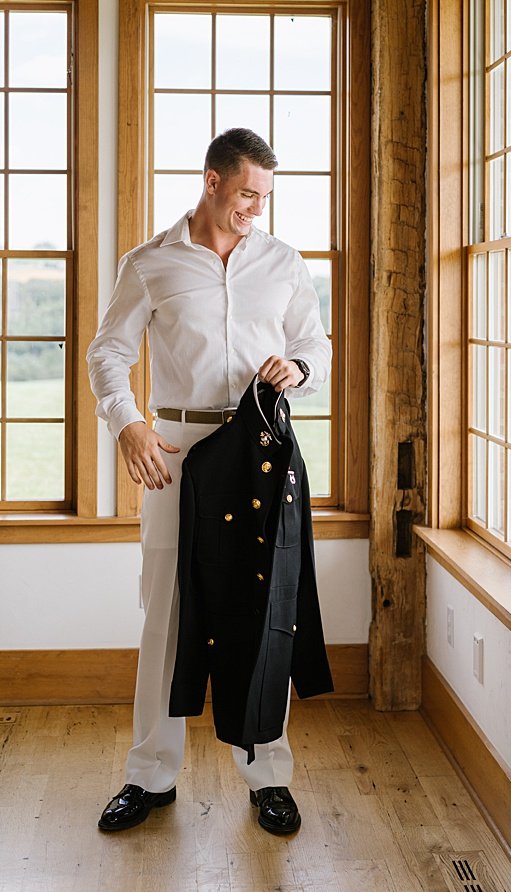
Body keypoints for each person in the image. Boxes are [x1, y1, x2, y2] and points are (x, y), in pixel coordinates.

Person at [87, 128, 332, 835]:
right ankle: (149, 776)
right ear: (212, 182)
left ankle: (268, 779)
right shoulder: (150, 262)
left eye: (266, 196)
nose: (257, 207)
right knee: (166, 611)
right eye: (248, 193)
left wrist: (300, 369)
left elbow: (314, 343)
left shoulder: (284, 262)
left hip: (259, 442)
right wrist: (128, 423)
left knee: (263, 613)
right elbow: (107, 351)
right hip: (177, 448)